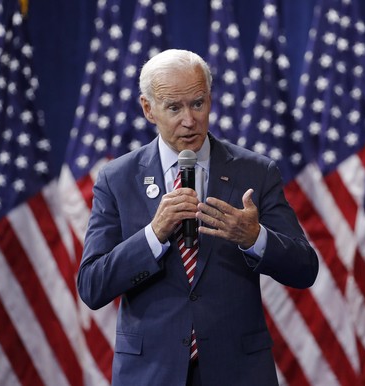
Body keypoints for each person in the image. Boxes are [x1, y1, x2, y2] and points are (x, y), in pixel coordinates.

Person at [77, 49, 319, 386]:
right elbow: (92, 285)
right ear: (148, 109)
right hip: (151, 373)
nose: (189, 120)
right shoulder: (117, 178)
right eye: (174, 107)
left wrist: (255, 238)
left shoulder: (256, 172)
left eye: (198, 103)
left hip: (237, 372)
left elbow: (305, 268)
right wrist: (153, 234)